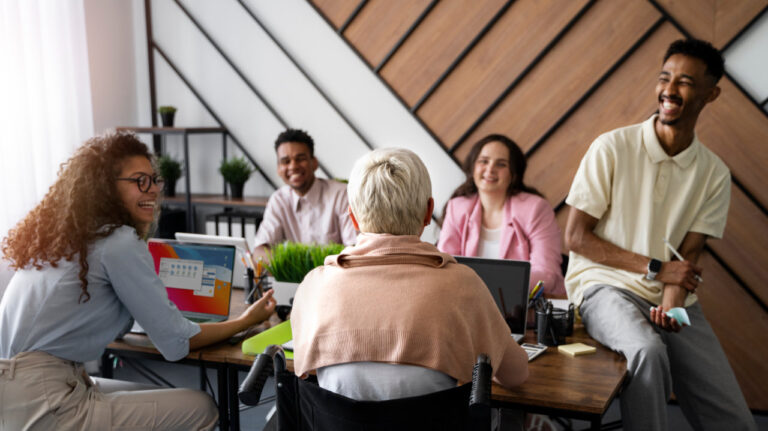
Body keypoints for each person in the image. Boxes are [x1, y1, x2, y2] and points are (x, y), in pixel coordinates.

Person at [0, 133, 276, 431]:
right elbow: (175, 343)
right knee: (202, 407)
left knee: (142, 394)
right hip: (47, 401)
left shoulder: (63, 238)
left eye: (154, 180)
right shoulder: (117, 241)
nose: (154, 190)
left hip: (17, 396)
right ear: (104, 187)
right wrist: (246, 320)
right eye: (139, 181)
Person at [564, 39, 755, 430]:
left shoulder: (713, 173)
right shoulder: (611, 147)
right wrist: (655, 268)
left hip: (672, 297)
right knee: (647, 350)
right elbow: (576, 238)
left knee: (735, 420)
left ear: (711, 93)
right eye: (664, 78)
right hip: (603, 287)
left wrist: (671, 307)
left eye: (684, 82)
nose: (669, 90)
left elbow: (685, 262)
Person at [290, 148, 529, 402]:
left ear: (353, 219)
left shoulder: (314, 286)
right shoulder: (464, 285)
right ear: (428, 212)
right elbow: (516, 375)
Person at [438, 134, 565, 295]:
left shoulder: (535, 208)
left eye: (501, 164)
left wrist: (495, 286)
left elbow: (547, 273)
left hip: (523, 308)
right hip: (468, 304)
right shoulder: (457, 207)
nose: (490, 169)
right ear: (472, 167)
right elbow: (444, 266)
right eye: (483, 161)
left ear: (514, 173)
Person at [252, 129, 356, 260]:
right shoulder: (278, 200)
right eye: (285, 161)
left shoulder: (342, 195)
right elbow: (260, 251)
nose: (293, 166)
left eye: (300, 159)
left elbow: (354, 250)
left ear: (314, 163)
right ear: (278, 169)